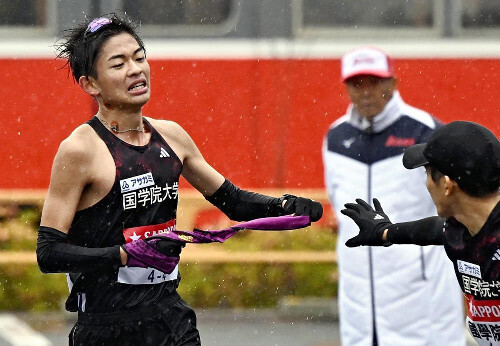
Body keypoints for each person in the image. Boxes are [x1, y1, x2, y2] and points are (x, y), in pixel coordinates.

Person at [36, 14, 323, 346]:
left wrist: (285, 206)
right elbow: (49, 254)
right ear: (91, 84)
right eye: (118, 64)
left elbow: (233, 202)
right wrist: (126, 255)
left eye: (139, 57)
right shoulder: (79, 151)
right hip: (106, 327)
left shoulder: (171, 136)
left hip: (169, 320)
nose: (135, 69)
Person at [322, 47, 465, 345]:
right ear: (346, 87)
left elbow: (459, 205)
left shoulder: (426, 130)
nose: (365, 91)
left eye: (373, 82)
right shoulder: (335, 138)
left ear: (393, 83)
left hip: (420, 288)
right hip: (358, 291)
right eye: (356, 83)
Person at [342, 120, 500, 345]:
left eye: (427, 173)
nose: (426, 184)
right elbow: (433, 230)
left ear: (447, 185)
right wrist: (384, 232)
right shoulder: (461, 228)